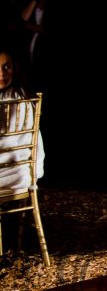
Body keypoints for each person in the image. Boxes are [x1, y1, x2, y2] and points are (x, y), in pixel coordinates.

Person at [18, 0, 67, 93]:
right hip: (29, 61)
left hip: (50, 62)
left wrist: (28, 26)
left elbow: (54, 29)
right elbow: (21, 20)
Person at [0, 47, 45, 192]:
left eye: (7, 67)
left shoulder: (15, 99)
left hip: (16, 168)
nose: (2, 73)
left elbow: (11, 142)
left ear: (15, 69)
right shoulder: (4, 96)